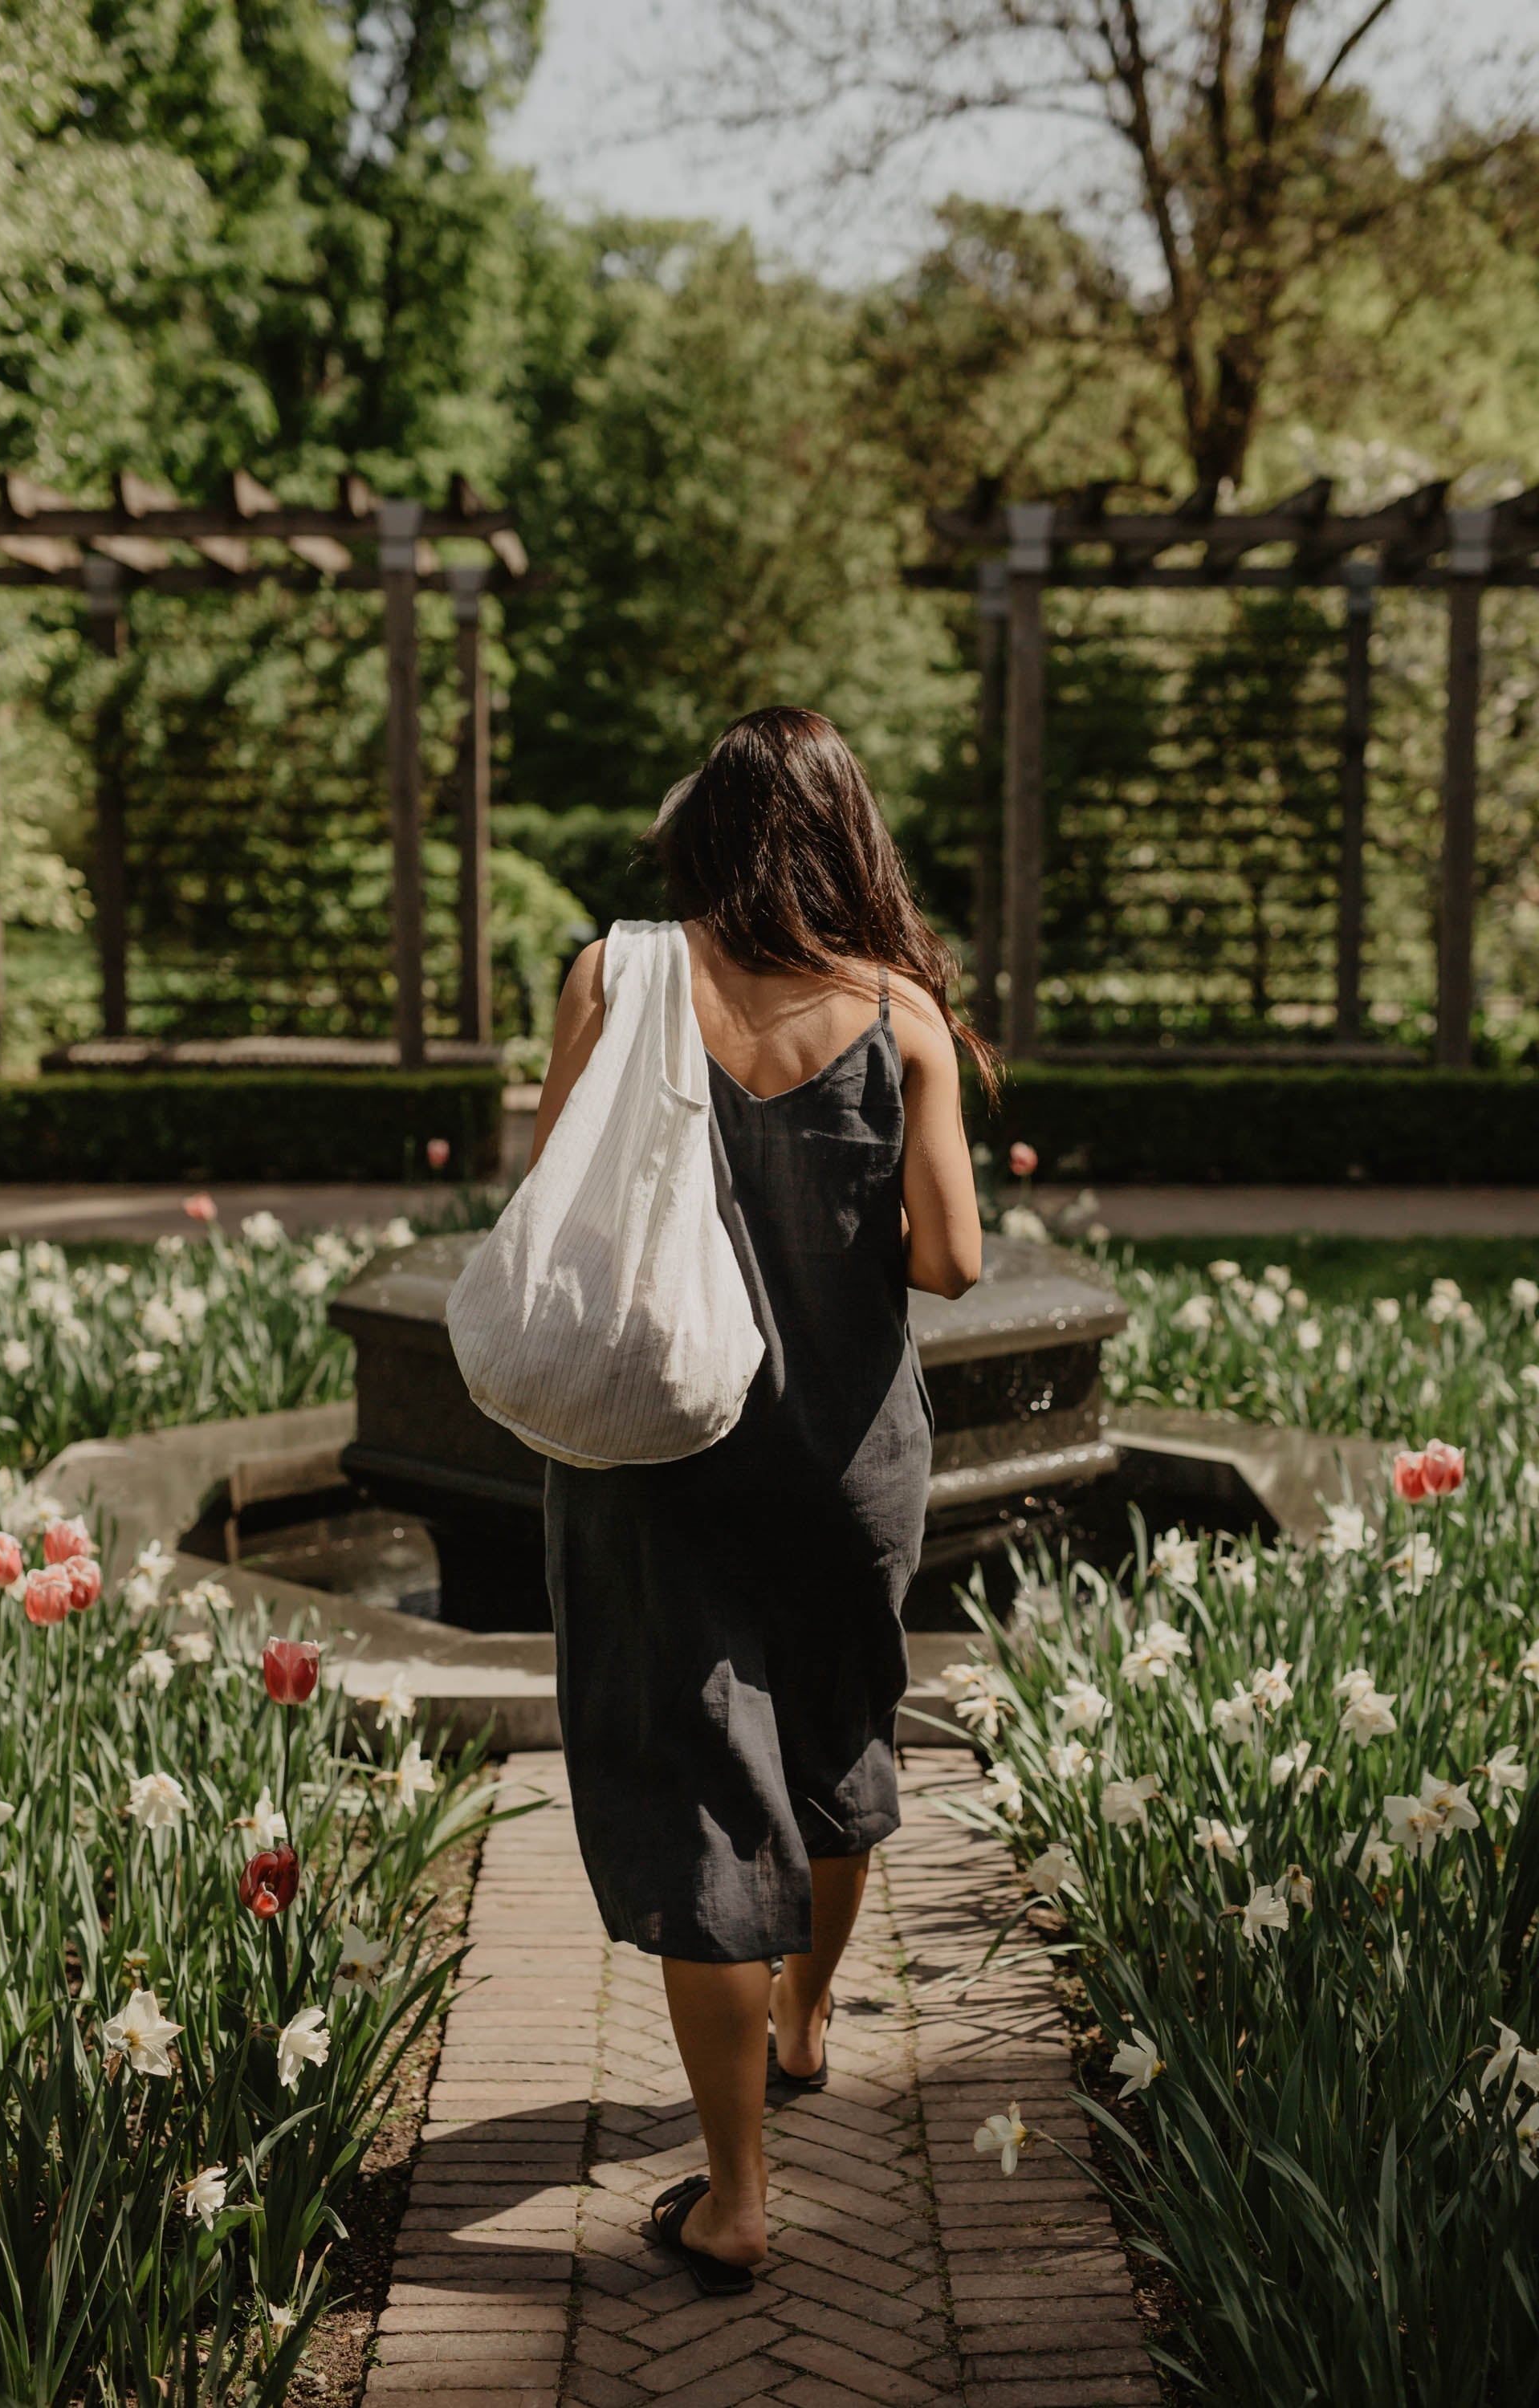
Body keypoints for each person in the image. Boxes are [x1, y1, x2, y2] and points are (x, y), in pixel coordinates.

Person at [526, 706, 992, 2292]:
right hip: (847, 1463)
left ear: (700, 837)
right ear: (848, 835)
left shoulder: (612, 979)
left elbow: (552, 1218)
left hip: (657, 1468)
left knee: (704, 1806)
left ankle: (735, 2193)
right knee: (837, 1748)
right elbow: (949, 1263)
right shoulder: (902, 1015)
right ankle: (801, 2018)